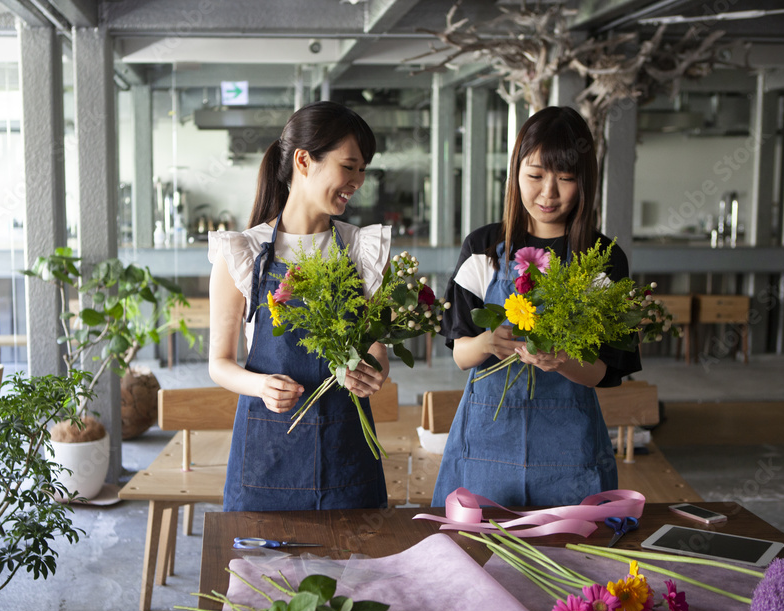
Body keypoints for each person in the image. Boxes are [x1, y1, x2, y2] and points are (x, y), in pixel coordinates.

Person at [433, 106, 641, 508]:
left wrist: (560, 359)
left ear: (585, 183)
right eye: (535, 176)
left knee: (573, 562)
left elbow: (601, 372)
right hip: (485, 448)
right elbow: (461, 354)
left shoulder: (602, 260)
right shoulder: (483, 248)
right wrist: (490, 342)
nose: (548, 193)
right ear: (516, 174)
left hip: (570, 455)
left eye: (565, 179)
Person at [207, 101, 391, 512]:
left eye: (363, 169)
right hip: (268, 455)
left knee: (355, 574)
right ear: (304, 161)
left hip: (349, 455)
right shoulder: (243, 251)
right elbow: (218, 363)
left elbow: (376, 346)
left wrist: (374, 372)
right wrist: (260, 386)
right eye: (349, 166)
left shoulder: (365, 249)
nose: (358, 181)